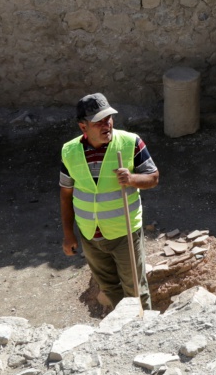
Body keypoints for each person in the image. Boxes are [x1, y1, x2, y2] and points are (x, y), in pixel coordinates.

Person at [59, 92, 158, 310]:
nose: (107, 125)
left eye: (109, 119)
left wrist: (132, 179)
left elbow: (153, 177)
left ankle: (145, 331)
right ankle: (123, 330)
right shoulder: (69, 151)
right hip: (90, 235)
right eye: (99, 122)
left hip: (124, 232)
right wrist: (68, 234)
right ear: (83, 127)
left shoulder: (131, 143)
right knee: (110, 287)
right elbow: (66, 194)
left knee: (136, 291)